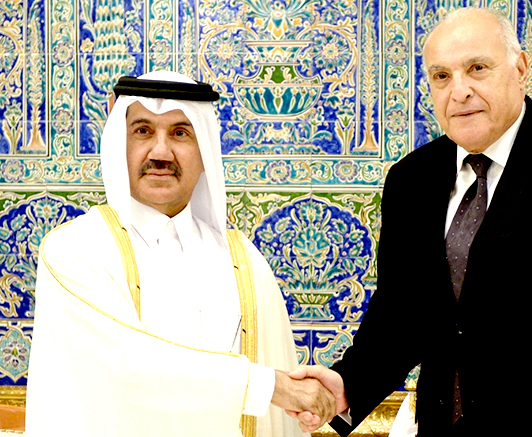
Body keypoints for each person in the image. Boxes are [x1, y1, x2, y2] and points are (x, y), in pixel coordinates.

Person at [290, 7, 532, 436]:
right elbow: (400, 312)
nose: (459, 91)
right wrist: (346, 384)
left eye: (477, 68)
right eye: (441, 76)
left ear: (520, 69)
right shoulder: (411, 179)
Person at [26, 71, 335, 437]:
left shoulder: (244, 262)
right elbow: (129, 366)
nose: (160, 153)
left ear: (205, 151)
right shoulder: (75, 251)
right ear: (119, 145)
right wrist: (270, 385)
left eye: (180, 133)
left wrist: (296, 393)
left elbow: (277, 418)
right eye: (143, 131)